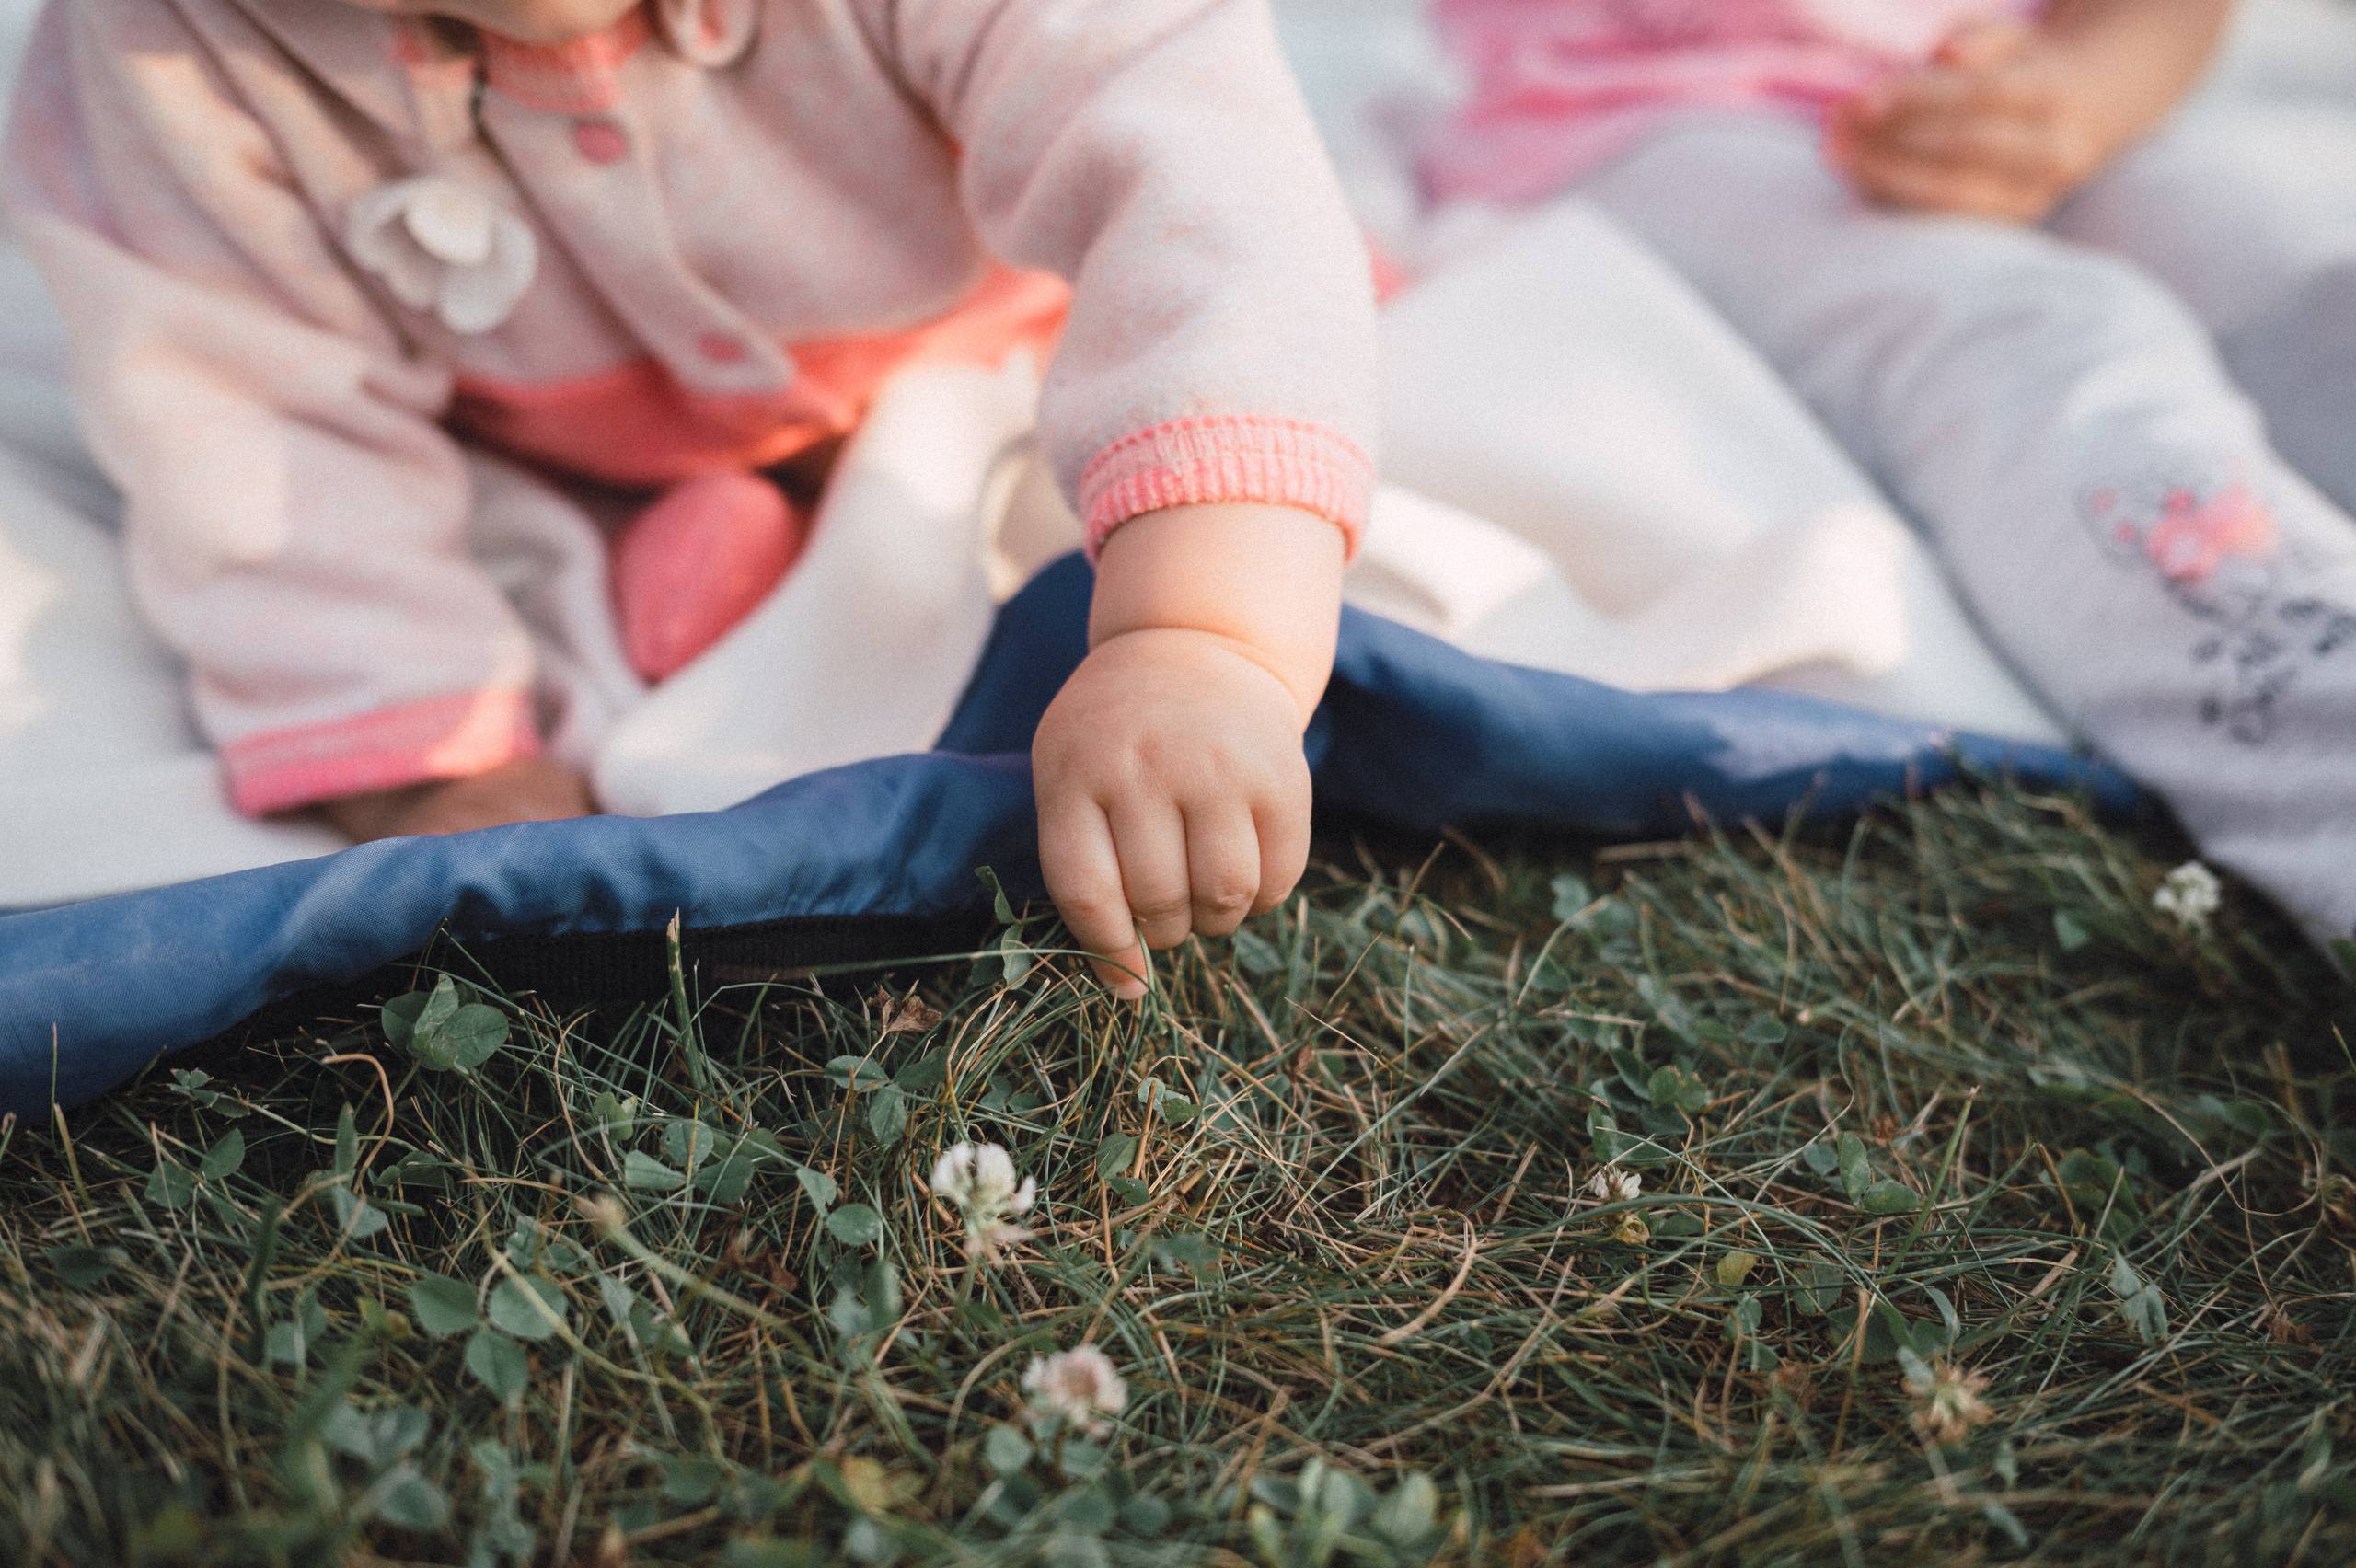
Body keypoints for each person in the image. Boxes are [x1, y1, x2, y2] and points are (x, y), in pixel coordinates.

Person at [2, 0, 1380, 997]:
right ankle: (734, 537)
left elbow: (1203, 199)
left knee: (1008, 467)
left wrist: (1201, 636)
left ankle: (804, 521)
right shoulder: (170, 48)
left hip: (969, 331)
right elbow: (243, 409)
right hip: (562, 420)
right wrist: (441, 764)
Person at [1420, 0, 2356, 947]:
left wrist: (2082, 94)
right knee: (2051, 348)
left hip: (2034, 93)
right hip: (1637, 119)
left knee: (2307, 298)